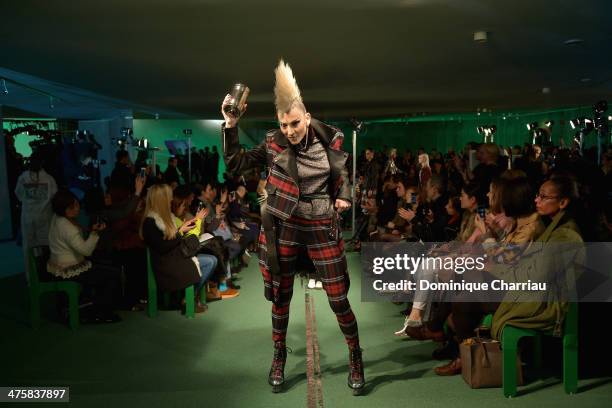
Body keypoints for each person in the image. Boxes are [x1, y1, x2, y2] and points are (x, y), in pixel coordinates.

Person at [221, 59, 364, 395]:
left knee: (338, 298)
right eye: (284, 124)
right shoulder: (273, 143)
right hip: (284, 227)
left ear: (308, 118)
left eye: (295, 124)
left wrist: (343, 195)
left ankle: (355, 355)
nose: (289, 130)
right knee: (280, 299)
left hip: (321, 227)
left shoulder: (332, 140)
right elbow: (236, 163)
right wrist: (230, 124)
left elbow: (341, 171)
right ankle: (278, 355)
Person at [47, 190, 121, 323]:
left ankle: (89, 306)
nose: (77, 208)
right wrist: (94, 234)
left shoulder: (57, 218)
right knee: (112, 274)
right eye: (72, 207)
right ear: (64, 209)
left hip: (60, 265)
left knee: (104, 269)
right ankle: (101, 312)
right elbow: (86, 251)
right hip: (70, 269)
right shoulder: (67, 227)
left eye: (77, 204)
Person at [15, 153, 57, 284]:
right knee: (46, 247)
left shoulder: (23, 178)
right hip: (44, 217)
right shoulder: (49, 179)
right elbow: (54, 196)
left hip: (28, 217)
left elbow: (18, 194)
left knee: (29, 248)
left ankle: (32, 278)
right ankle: (47, 275)